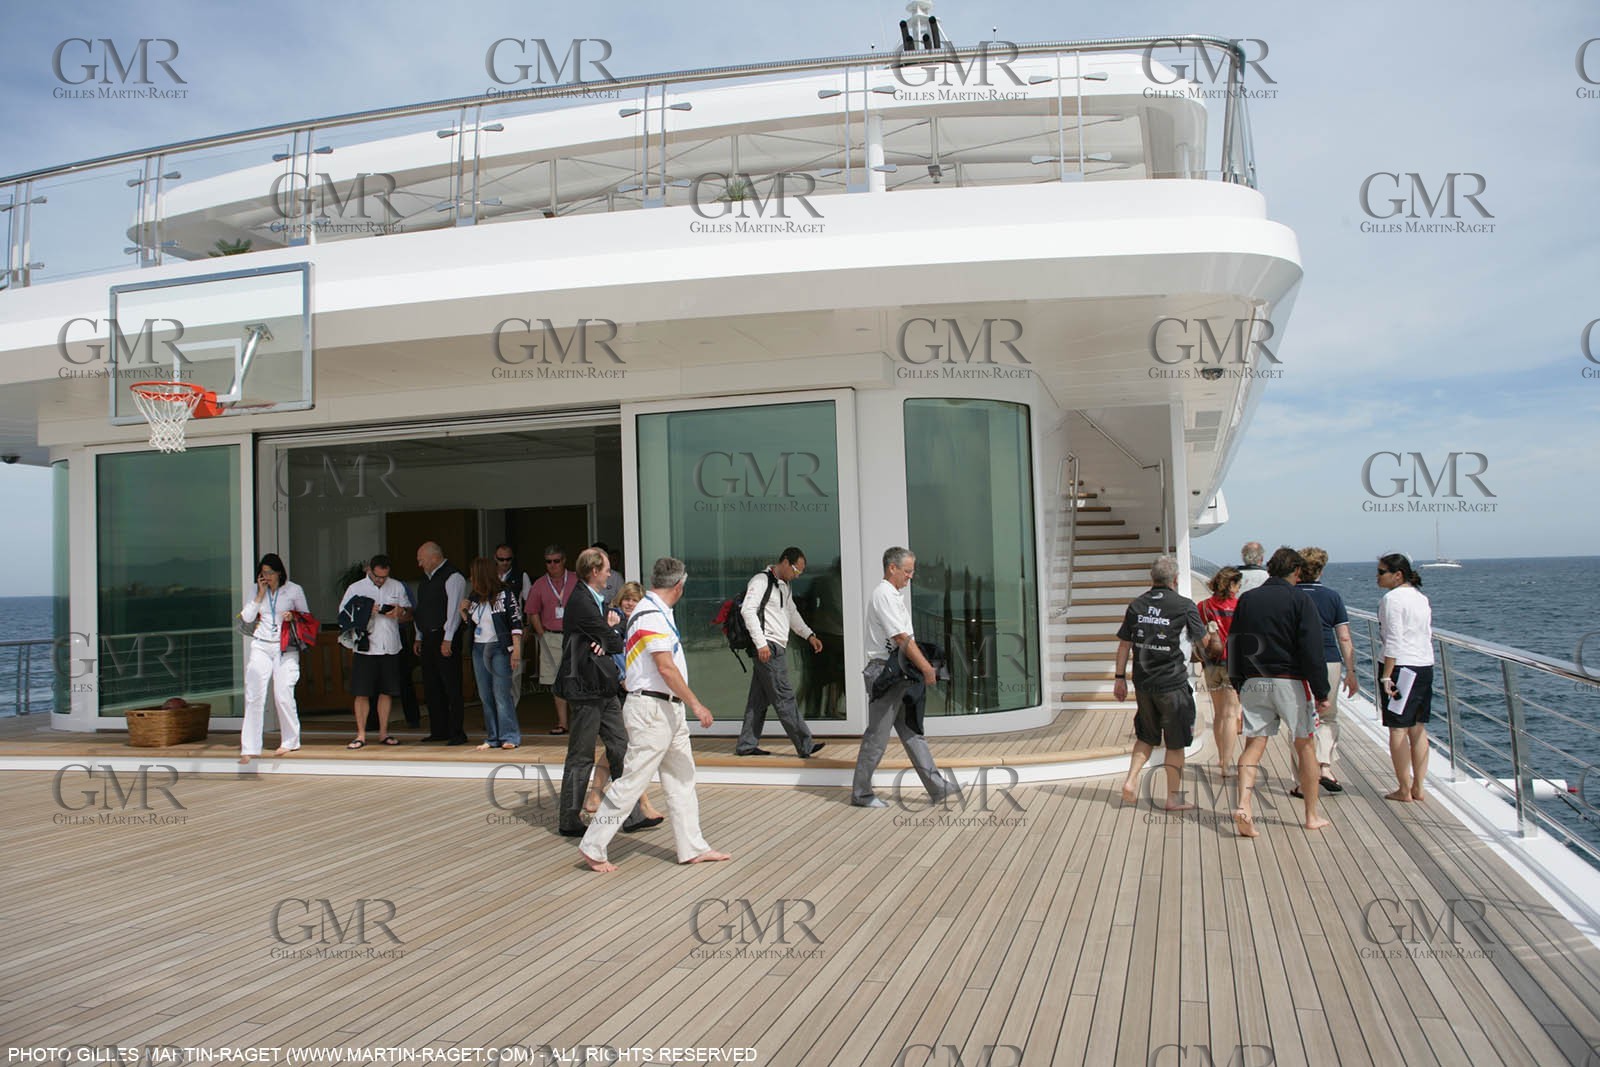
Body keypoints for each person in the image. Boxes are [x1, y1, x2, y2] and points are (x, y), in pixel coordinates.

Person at [579, 557, 730, 872]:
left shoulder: (657, 612)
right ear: (679, 585)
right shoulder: (651, 615)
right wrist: (697, 704)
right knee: (633, 780)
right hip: (652, 709)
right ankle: (593, 845)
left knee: (681, 778)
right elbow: (665, 667)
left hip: (666, 708)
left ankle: (692, 847)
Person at [1229, 546, 1333, 837]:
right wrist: (1321, 690)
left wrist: (1238, 681)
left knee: (1254, 745)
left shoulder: (1248, 599)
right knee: (1305, 746)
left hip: (1253, 680)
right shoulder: (1301, 600)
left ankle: (1243, 805)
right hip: (1289, 681)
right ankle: (1311, 815)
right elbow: (1312, 649)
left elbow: (1235, 641)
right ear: (1297, 571)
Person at [557, 549, 657, 837]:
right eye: (607, 570)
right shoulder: (581, 600)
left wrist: (606, 636)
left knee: (621, 748)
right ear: (594, 571)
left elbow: (605, 638)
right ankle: (569, 818)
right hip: (587, 688)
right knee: (581, 754)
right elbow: (611, 640)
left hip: (603, 686)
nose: (610, 575)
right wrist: (608, 635)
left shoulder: (592, 599)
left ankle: (633, 815)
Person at [851, 547, 956, 808]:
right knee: (877, 737)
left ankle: (938, 787)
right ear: (892, 568)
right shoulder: (883, 594)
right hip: (885, 674)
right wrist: (927, 668)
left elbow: (904, 639)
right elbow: (901, 638)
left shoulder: (893, 595)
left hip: (900, 673)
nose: (911, 576)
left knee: (912, 732)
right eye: (907, 571)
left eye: (912, 571)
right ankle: (861, 794)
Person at [1114, 556, 1206, 809]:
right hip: (1173, 685)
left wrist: (1119, 679)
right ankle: (1173, 798)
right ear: (1175, 579)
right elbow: (1203, 643)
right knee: (1175, 743)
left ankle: (1131, 780)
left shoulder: (1137, 605)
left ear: (1151, 577)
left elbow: (1123, 646)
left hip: (1143, 684)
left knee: (1146, 736)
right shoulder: (1185, 606)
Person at [735, 547, 826, 758]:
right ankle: (805, 745)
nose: (797, 574)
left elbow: (791, 614)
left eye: (801, 572)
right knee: (784, 696)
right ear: (785, 562)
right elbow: (747, 610)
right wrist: (761, 644)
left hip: (775, 646)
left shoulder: (785, 587)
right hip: (768, 646)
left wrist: (809, 635)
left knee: (758, 699)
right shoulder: (760, 581)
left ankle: (746, 745)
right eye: (796, 569)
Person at [585, 582, 665, 822]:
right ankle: (642, 803)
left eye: (634, 600)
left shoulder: (637, 624)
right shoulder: (616, 625)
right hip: (619, 692)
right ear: (619, 601)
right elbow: (614, 656)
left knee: (619, 747)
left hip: (632, 692)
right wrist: (624, 679)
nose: (630, 603)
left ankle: (595, 794)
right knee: (626, 747)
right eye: (626, 599)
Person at [1296, 547, 1359, 792]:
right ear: (1321, 569)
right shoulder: (1333, 597)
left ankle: (1303, 780)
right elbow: (1344, 637)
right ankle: (1325, 767)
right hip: (1329, 660)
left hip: (1297, 660)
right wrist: (1351, 672)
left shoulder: (1292, 595)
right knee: (1328, 715)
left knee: (1301, 718)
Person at [238, 552, 308, 764]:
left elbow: (307, 617)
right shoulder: (256, 589)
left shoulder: (294, 590)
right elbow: (247, 617)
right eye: (263, 573)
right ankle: (249, 746)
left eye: (269, 573)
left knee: (283, 692)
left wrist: (292, 616)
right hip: (261, 644)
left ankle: (290, 740)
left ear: (279, 572)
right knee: (254, 694)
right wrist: (259, 595)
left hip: (285, 646)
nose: (266, 577)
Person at [339, 554, 412, 749]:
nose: (380, 580)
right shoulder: (356, 588)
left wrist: (399, 612)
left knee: (386, 691)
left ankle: (383, 733)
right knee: (361, 692)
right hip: (366, 646)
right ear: (369, 570)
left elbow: (408, 614)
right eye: (377, 576)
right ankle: (361, 734)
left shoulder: (396, 586)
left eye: (384, 577)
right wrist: (366, 610)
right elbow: (343, 614)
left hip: (390, 645)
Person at [1377, 553, 1434, 803]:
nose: (1377, 577)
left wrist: (1387, 675)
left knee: (1398, 729)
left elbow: (1393, 639)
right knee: (1418, 727)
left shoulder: (1392, 599)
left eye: (1381, 572)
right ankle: (1419, 787)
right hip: (1423, 665)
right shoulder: (1421, 598)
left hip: (1401, 668)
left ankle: (1403, 788)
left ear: (1397, 574)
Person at [461, 557, 523, 751]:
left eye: (474, 575)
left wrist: (516, 652)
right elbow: (471, 624)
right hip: (479, 648)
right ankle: (493, 736)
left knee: (501, 693)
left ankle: (509, 735)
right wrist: (463, 611)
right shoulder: (473, 597)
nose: (471, 579)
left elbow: (516, 623)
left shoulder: (505, 594)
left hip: (499, 648)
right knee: (485, 694)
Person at [415, 542, 468, 744]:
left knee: (451, 685)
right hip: (428, 636)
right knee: (432, 685)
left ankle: (457, 731)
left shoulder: (453, 576)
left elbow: (454, 610)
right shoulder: (425, 581)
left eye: (421, 559)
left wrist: (448, 638)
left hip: (445, 635)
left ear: (433, 557)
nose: (419, 564)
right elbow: (421, 610)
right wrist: (418, 636)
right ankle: (439, 729)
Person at [525, 543, 576, 735]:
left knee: (577, 678)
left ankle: (580, 722)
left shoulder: (575, 579)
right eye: (548, 562)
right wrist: (542, 635)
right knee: (557, 682)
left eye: (556, 561)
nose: (553, 565)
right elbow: (532, 611)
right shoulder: (539, 584)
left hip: (574, 636)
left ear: (564, 561)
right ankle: (562, 723)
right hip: (551, 636)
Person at [1197, 567, 1242, 778]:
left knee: (1218, 714)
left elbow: (1196, 633)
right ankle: (1227, 764)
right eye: (1238, 584)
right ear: (1232, 584)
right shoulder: (1239, 606)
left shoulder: (1203, 606)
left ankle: (1221, 758)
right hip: (1233, 662)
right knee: (1231, 714)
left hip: (1211, 663)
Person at [494, 544, 533, 704]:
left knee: (514, 672)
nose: (505, 562)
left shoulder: (521, 576)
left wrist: (528, 626)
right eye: (501, 559)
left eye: (508, 559)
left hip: (514, 630)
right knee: (495, 671)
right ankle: (498, 711)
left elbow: (529, 603)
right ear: (495, 559)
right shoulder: (490, 576)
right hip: (493, 629)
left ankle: (511, 709)